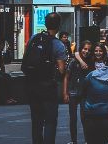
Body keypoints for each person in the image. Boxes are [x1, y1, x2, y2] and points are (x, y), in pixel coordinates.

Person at [21, 12, 68, 144]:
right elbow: (61, 69)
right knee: (50, 121)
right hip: (48, 87)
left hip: (32, 86)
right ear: (58, 26)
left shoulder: (34, 38)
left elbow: (27, 59)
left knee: (36, 120)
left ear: (45, 24)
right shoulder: (58, 45)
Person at [65, 42, 94, 144]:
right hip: (73, 92)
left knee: (84, 118)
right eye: (85, 49)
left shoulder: (91, 61)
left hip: (84, 93)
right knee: (73, 118)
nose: (86, 51)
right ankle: (74, 141)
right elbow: (66, 77)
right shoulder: (74, 61)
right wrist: (65, 93)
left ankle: (87, 140)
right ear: (81, 48)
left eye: (89, 50)